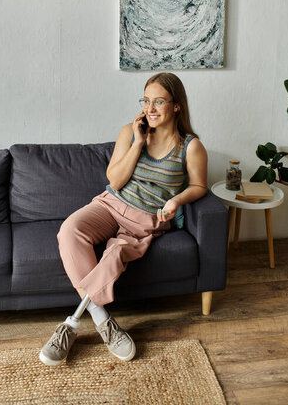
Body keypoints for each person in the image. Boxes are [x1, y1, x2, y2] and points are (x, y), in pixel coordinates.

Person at [39, 72, 208, 366]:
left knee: (114, 254)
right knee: (69, 230)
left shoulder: (191, 147)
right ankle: (103, 321)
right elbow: (115, 181)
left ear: (176, 106)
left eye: (159, 102)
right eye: (146, 101)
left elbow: (199, 186)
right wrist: (138, 142)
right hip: (110, 205)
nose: (150, 109)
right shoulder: (129, 133)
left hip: (145, 220)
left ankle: (70, 325)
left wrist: (176, 199)